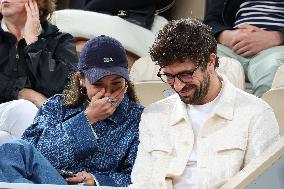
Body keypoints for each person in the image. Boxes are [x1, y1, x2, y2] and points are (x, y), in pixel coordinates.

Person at [130, 18, 279, 189]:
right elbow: (141, 183)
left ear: (211, 62)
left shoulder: (256, 113)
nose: (178, 85)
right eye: (169, 76)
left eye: (186, 74)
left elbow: (263, 185)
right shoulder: (154, 115)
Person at [22, 35, 144, 186]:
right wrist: (87, 119)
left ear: (126, 80)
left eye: (116, 84)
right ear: (81, 79)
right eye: (98, 84)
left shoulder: (139, 118)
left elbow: (142, 176)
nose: (107, 93)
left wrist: (98, 181)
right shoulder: (56, 106)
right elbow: (27, 159)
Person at [0, 0, 78, 142]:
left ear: (37, 3)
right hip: (15, 114)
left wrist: (33, 43)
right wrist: (24, 93)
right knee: (24, 110)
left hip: (38, 123)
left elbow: (66, 88)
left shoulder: (60, 41)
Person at [204, 0, 284, 97]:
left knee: (272, 70)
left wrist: (277, 37)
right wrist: (226, 36)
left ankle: (263, 110)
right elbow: (211, 20)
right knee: (217, 65)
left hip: (276, 47)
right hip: (231, 46)